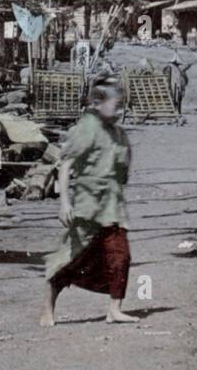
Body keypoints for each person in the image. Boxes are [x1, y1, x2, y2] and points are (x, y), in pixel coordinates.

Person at [41, 79, 137, 327]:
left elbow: (122, 167)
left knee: (120, 256)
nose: (119, 111)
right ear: (97, 104)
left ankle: (114, 309)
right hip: (88, 206)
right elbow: (66, 166)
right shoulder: (86, 129)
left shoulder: (118, 133)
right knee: (74, 259)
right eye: (115, 106)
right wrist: (65, 203)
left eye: (122, 106)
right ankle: (48, 307)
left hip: (112, 206)